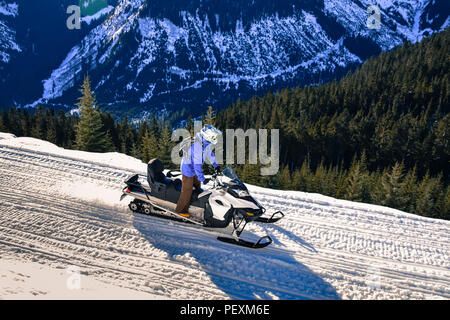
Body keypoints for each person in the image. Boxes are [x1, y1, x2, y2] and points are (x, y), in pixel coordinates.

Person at [175, 124, 222, 217]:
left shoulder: (205, 142)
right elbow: (197, 166)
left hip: (194, 170)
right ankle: (180, 210)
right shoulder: (198, 146)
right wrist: (202, 178)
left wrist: (216, 165)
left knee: (197, 188)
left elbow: (209, 154)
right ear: (208, 136)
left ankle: (193, 205)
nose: (215, 138)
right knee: (187, 190)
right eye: (214, 136)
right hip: (188, 170)